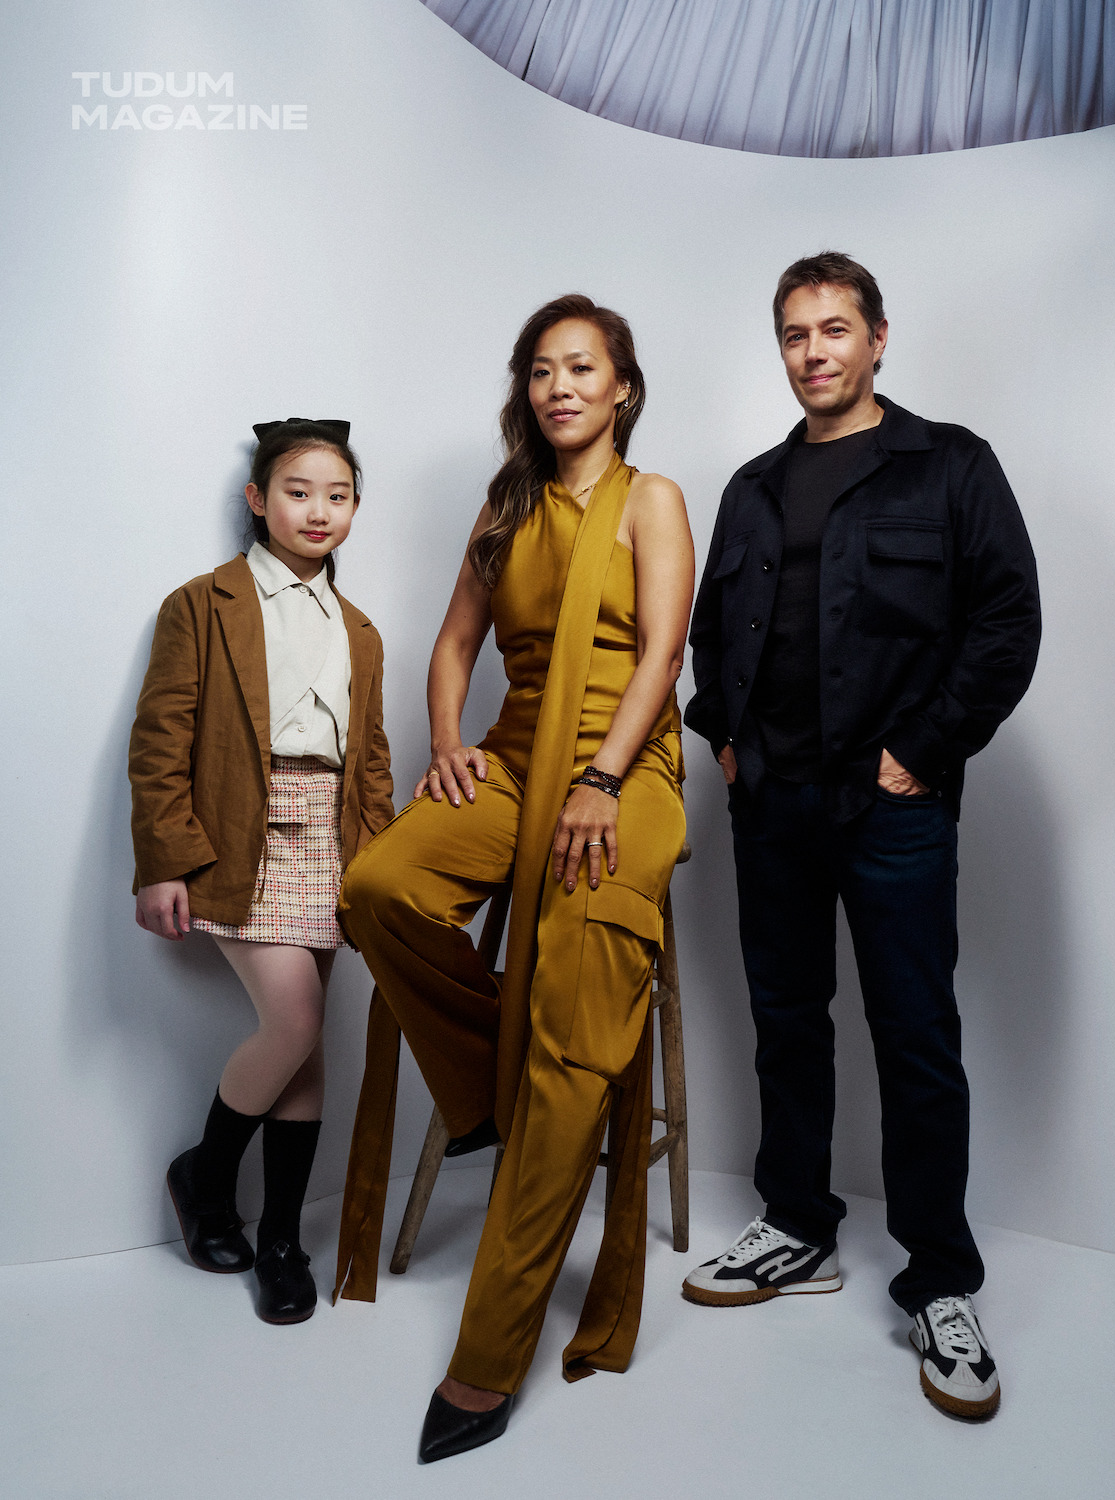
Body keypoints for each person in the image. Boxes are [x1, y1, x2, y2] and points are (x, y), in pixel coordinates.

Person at [334, 295, 693, 1461]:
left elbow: (666, 652)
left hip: (623, 765)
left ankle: (489, 1356)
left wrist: (600, 776)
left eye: (582, 367)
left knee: (577, 1010)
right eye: (541, 369)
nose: (559, 387)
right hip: (513, 750)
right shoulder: (507, 505)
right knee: (379, 888)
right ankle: (493, 1088)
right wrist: (448, 739)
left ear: (622, 388)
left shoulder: (653, 501)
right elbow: (452, 646)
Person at [683, 252, 1040, 1420]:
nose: (814, 351)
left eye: (835, 329)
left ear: (878, 338)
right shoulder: (749, 485)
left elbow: (1005, 622)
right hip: (770, 803)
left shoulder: (950, 467)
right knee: (786, 1024)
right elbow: (709, 633)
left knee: (916, 1039)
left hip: (892, 807)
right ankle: (797, 1226)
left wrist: (920, 754)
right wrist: (721, 736)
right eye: (794, 334)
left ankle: (940, 1281)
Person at [129, 418, 393, 1325]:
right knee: (297, 1019)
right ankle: (205, 1181)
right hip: (241, 834)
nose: (318, 510)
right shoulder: (202, 603)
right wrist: (164, 862)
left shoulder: (360, 630)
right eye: (298, 491)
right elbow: (160, 739)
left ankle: (281, 1241)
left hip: (331, 838)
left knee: (307, 1047)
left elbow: (372, 763)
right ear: (258, 500)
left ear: (355, 508)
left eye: (338, 495)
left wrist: (380, 868)